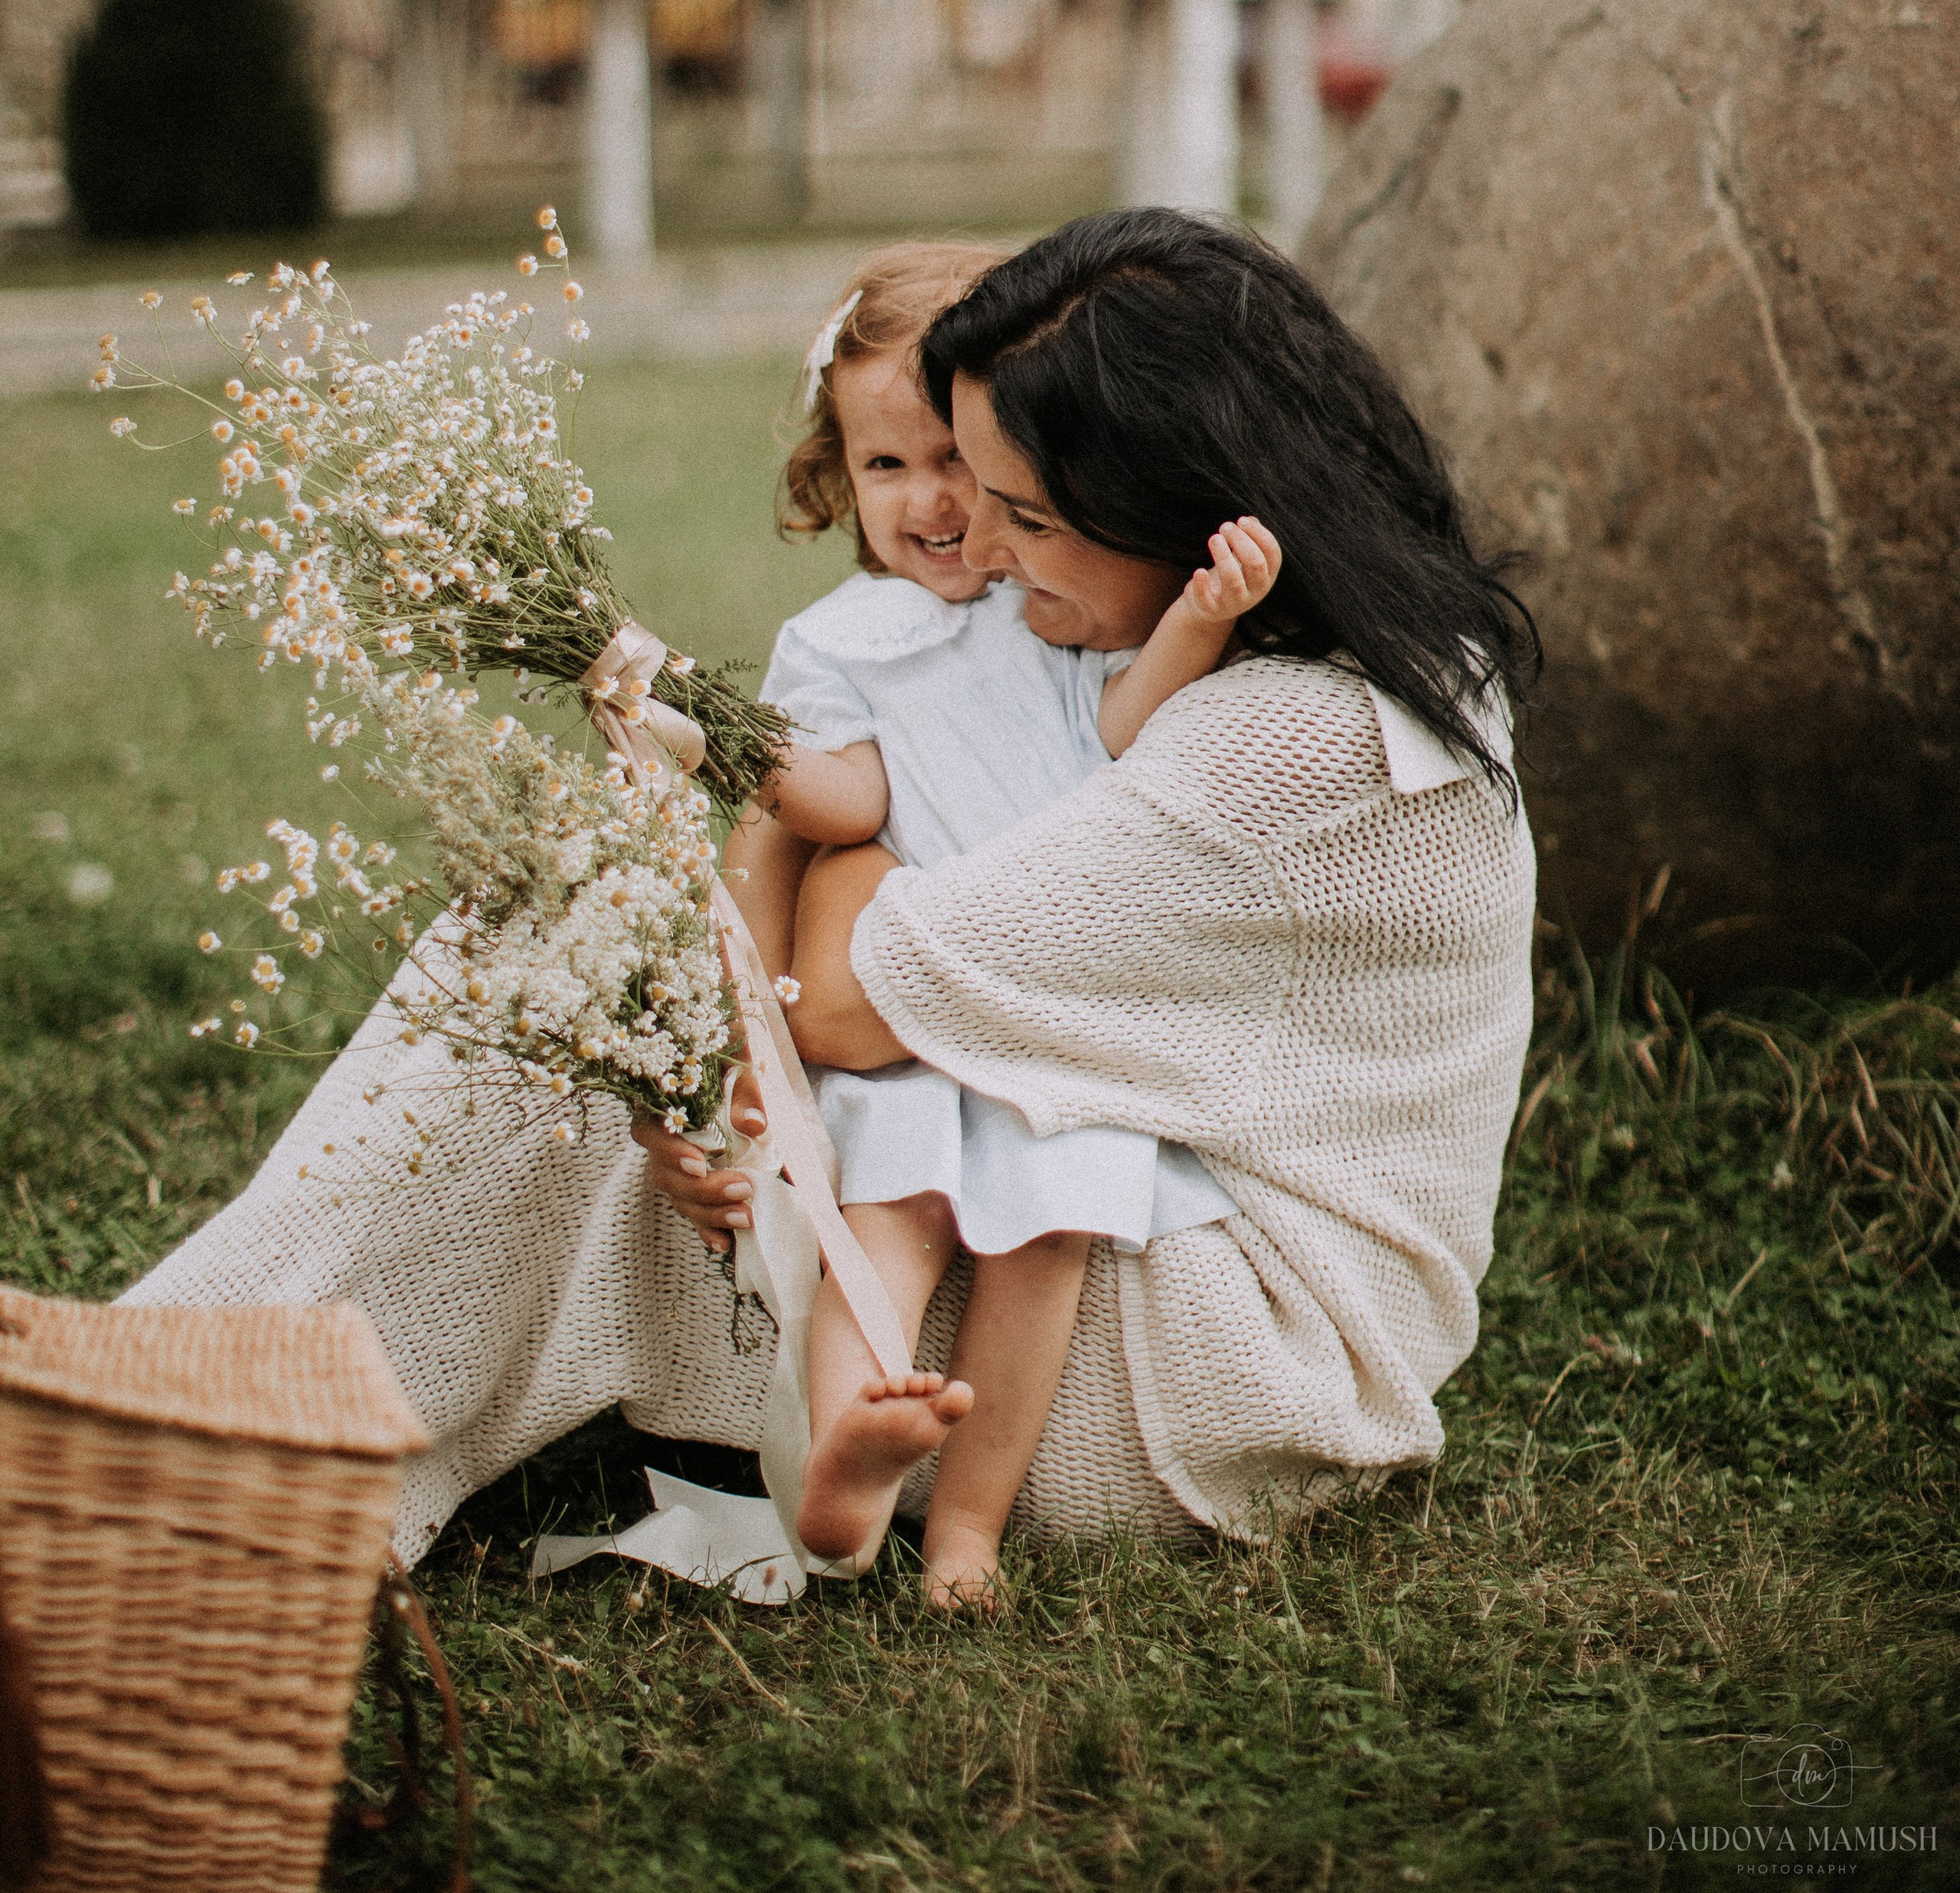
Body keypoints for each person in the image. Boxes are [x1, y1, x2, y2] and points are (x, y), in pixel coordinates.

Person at [129, 209, 1540, 1579]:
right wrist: (695, 1054)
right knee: (601, 959)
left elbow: (860, 1005)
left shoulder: (1290, 742)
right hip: (1152, 1231)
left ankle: (207, 1422)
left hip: (1223, 1367)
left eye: (1027, 516)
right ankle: (237, 1394)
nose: (979, 549)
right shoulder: (1359, 649)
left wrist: (822, 891)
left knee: (578, 958)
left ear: (1181, 513)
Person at [731, 241, 1282, 1600]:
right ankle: (843, 1470)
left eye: (953, 461)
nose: (928, 500)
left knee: (1049, 1238)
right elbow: (843, 794)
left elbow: (1121, 732)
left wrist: (1199, 626)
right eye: (883, 467)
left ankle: (969, 1525)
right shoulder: (837, 642)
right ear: (837, 479)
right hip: (912, 1003)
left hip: (1041, 1000)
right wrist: (727, 738)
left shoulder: (1047, 597)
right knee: (890, 1212)